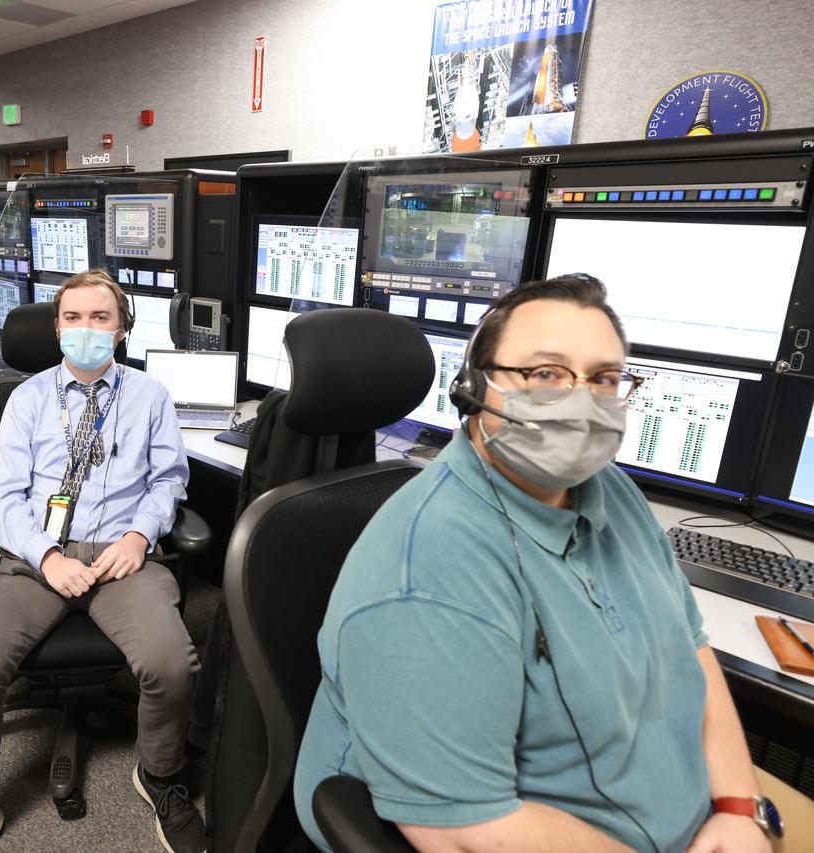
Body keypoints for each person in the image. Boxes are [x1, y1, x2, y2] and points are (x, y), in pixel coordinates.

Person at [294, 275, 798, 853]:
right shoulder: (428, 569)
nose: (581, 401)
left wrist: (739, 808)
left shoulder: (612, 491)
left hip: (717, 822)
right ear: (474, 387)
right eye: (545, 374)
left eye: (605, 378)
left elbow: (691, 645)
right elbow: (466, 828)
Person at [0, 269, 204, 853]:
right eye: (73, 318)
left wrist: (138, 536)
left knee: (171, 663)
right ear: (57, 329)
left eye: (100, 318)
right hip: (36, 556)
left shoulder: (149, 396)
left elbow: (168, 480)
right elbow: (0, 499)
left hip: (121, 556)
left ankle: (160, 774)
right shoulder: (26, 399)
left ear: (122, 329)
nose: (86, 328)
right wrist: (47, 556)